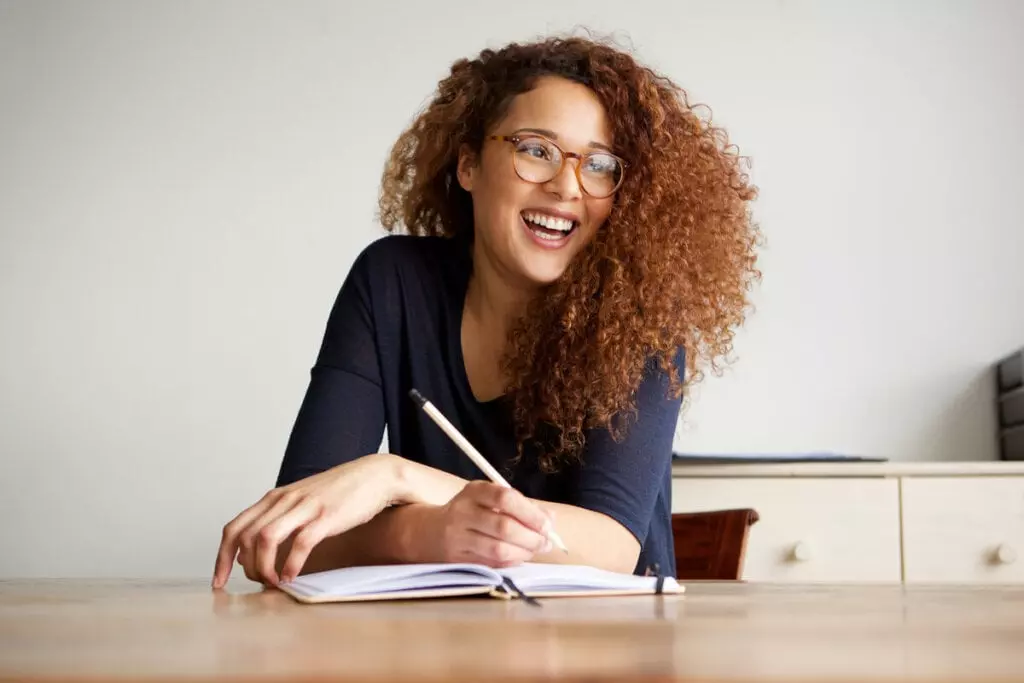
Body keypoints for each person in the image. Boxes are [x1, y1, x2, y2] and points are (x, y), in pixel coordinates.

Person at [211, 32, 760, 589]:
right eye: (536, 150)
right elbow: (285, 538)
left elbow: (610, 545)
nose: (567, 185)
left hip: (608, 649)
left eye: (599, 164)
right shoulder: (392, 282)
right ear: (468, 164)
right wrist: (424, 533)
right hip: (441, 651)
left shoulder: (641, 313)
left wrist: (396, 478)